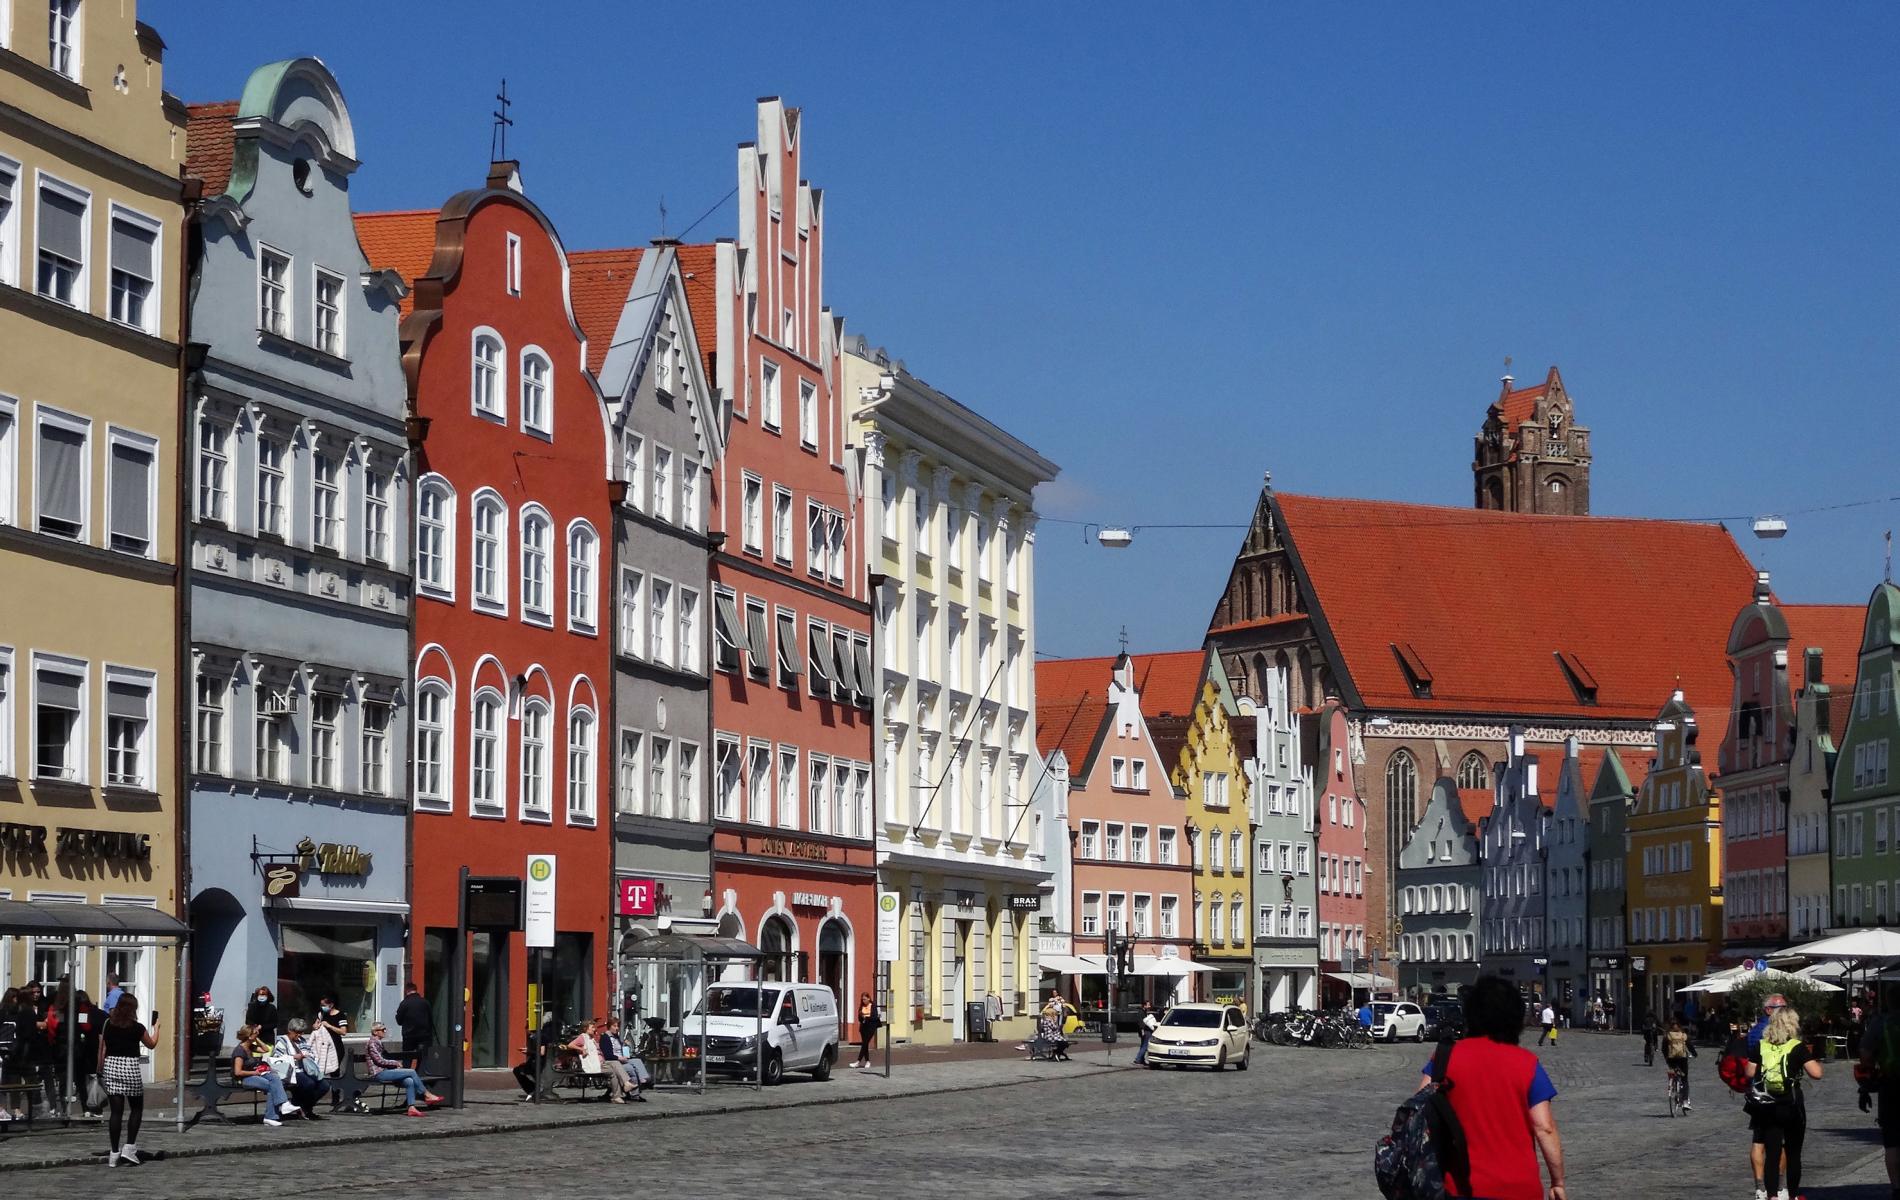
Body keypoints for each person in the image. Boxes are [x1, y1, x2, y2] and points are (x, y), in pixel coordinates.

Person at [1413, 976, 1565, 1200]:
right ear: (1515, 1019)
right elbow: (1544, 1127)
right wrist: (1557, 1181)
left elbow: (1419, 1110)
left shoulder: (1445, 1057)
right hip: (1519, 1188)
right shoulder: (1527, 1063)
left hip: (1460, 1186)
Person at [1747, 1004, 1821, 1200]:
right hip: (1792, 1104)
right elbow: (1817, 1074)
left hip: (1768, 1105)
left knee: (1772, 1154)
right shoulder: (1796, 1046)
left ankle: (1771, 1196)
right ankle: (1793, 1195)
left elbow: (1748, 1072)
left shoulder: (1761, 1045)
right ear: (1792, 1024)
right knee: (1793, 1153)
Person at [98, 994, 158, 1164]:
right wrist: (157, 1027)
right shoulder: (137, 1027)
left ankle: (114, 1153)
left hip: (111, 1067)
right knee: (136, 1108)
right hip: (130, 1067)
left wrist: (99, 1070)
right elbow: (151, 1044)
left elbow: (103, 1049)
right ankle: (129, 1147)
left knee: (116, 1112)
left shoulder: (108, 1024)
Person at [1859, 987, 1900, 1200]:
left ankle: (1896, 1188)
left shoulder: (1880, 1023)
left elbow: (1865, 1056)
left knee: (1892, 1140)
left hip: (1890, 1083)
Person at [1747, 994, 1790, 1196]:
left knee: (1758, 1140)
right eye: (1779, 1008)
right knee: (1780, 1140)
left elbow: (1749, 1065)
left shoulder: (1755, 1032)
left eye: (1784, 1007)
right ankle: (1780, 1187)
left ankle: (1760, 1188)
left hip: (1757, 1093)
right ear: (1768, 1010)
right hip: (1780, 1094)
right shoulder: (1787, 1033)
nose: (1783, 1012)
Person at [365, 1021, 441, 1116]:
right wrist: (395, 1063)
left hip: (386, 1071)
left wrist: (394, 1066)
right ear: (375, 1032)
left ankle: (411, 1107)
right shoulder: (372, 1043)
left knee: (409, 1081)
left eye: (385, 1029)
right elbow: (379, 1061)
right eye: (382, 1029)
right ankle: (426, 1094)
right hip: (378, 1073)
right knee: (412, 1072)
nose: (385, 1031)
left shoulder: (378, 1043)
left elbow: (385, 1058)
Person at [232, 1023, 298, 1126]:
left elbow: (265, 1050)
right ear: (249, 1036)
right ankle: (272, 1115)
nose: (257, 1034)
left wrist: (256, 1039)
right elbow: (238, 1072)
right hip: (244, 1078)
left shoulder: (250, 1047)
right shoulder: (240, 1051)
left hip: (255, 1074)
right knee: (272, 1086)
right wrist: (254, 1072)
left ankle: (282, 1106)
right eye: (255, 1033)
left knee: (274, 1077)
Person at [273, 1020, 328, 1117]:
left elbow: (311, 1053)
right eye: (297, 1032)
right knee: (309, 1084)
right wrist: (293, 1057)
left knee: (324, 1085)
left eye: (301, 1032)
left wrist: (307, 1056)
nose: (299, 1035)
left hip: (305, 1070)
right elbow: (277, 1059)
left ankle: (304, 1106)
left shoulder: (302, 1040)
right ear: (290, 1031)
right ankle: (302, 1107)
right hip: (291, 1072)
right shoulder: (282, 1041)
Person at [596, 1018, 647, 1103]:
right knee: (630, 1069)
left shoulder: (616, 1037)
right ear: (609, 1026)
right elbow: (608, 1055)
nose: (617, 1028)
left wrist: (625, 1047)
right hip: (614, 1061)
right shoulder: (605, 1037)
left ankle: (643, 1079)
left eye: (618, 1026)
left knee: (637, 1061)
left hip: (622, 1058)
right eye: (614, 1026)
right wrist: (619, 1058)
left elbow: (619, 1050)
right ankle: (635, 1094)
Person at [395, 982, 433, 1069]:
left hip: (409, 1036)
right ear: (416, 990)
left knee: (407, 1057)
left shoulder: (404, 1003)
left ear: (407, 990)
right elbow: (430, 1018)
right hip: (424, 1035)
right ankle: (421, 1075)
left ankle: (406, 1075)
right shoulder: (425, 1002)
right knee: (423, 1057)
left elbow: (399, 1021)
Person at [1662, 1020, 1696, 1112]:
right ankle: (1685, 1101)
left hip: (1671, 1059)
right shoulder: (1683, 1035)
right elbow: (1690, 1046)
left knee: (1673, 1073)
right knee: (1684, 1080)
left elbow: (1664, 1049)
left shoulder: (1667, 1036)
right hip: (1682, 1059)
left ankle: (1672, 1085)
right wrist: (1694, 1054)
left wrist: (1667, 1058)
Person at [308, 997, 345, 1080]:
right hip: (323, 1046)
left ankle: (335, 1091)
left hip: (336, 1046)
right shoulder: (321, 1014)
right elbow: (315, 1025)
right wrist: (315, 1026)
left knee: (334, 1070)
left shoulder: (340, 1015)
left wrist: (329, 1026)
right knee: (322, 1069)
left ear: (331, 1005)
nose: (322, 1007)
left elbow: (343, 1032)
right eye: (321, 1005)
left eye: (324, 1005)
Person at [854, 992, 881, 1068]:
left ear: (869, 998)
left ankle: (858, 1061)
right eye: (862, 999)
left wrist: (867, 1017)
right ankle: (867, 1061)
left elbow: (875, 1017)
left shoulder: (873, 1006)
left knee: (865, 1043)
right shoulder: (861, 1006)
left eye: (865, 999)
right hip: (863, 1027)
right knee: (865, 1044)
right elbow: (859, 1018)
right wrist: (862, 1017)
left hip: (871, 1027)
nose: (864, 1001)